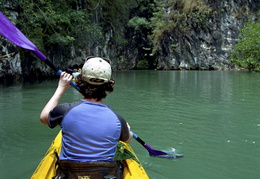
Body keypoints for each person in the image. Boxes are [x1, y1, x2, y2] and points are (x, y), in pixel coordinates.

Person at [40, 57, 133, 179]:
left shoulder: (65, 110)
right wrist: (127, 128)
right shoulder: (117, 119)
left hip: (70, 174)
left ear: (80, 81)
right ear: (108, 86)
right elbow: (127, 139)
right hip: (104, 175)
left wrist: (61, 88)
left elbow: (44, 118)